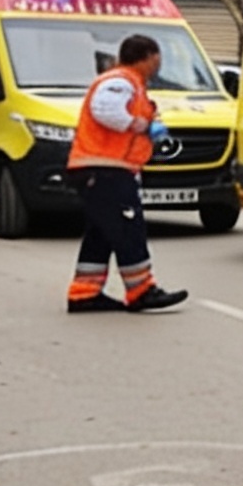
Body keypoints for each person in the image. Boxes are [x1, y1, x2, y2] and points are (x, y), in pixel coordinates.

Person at [65, 33, 187, 314]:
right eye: (157, 59)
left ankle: (84, 293)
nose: (158, 65)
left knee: (103, 233)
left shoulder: (128, 82)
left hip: (103, 169)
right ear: (148, 57)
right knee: (128, 230)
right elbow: (105, 111)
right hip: (106, 169)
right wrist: (143, 126)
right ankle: (142, 290)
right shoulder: (121, 81)